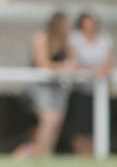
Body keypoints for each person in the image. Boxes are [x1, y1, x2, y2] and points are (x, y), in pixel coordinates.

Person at [15, 11, 74, 158]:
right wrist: (62, 66)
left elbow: (73, 62)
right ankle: (39, 153)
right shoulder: (41, 37)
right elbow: (42, 64)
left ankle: (47, 154)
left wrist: (63, 66)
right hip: (40, 85)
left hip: (58, 86)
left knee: (57, 121)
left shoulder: (66, 40)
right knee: (49, 120)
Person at [67, 12, 114, 155]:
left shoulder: (104, 39)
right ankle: (81, 154)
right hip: (80, 89)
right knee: (80, 125)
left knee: (98, 124)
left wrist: (101, 71)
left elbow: (110, 62)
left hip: (100, 89)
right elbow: (73, 62)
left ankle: (95, 153)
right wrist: (92, 70)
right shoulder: (75, 38)